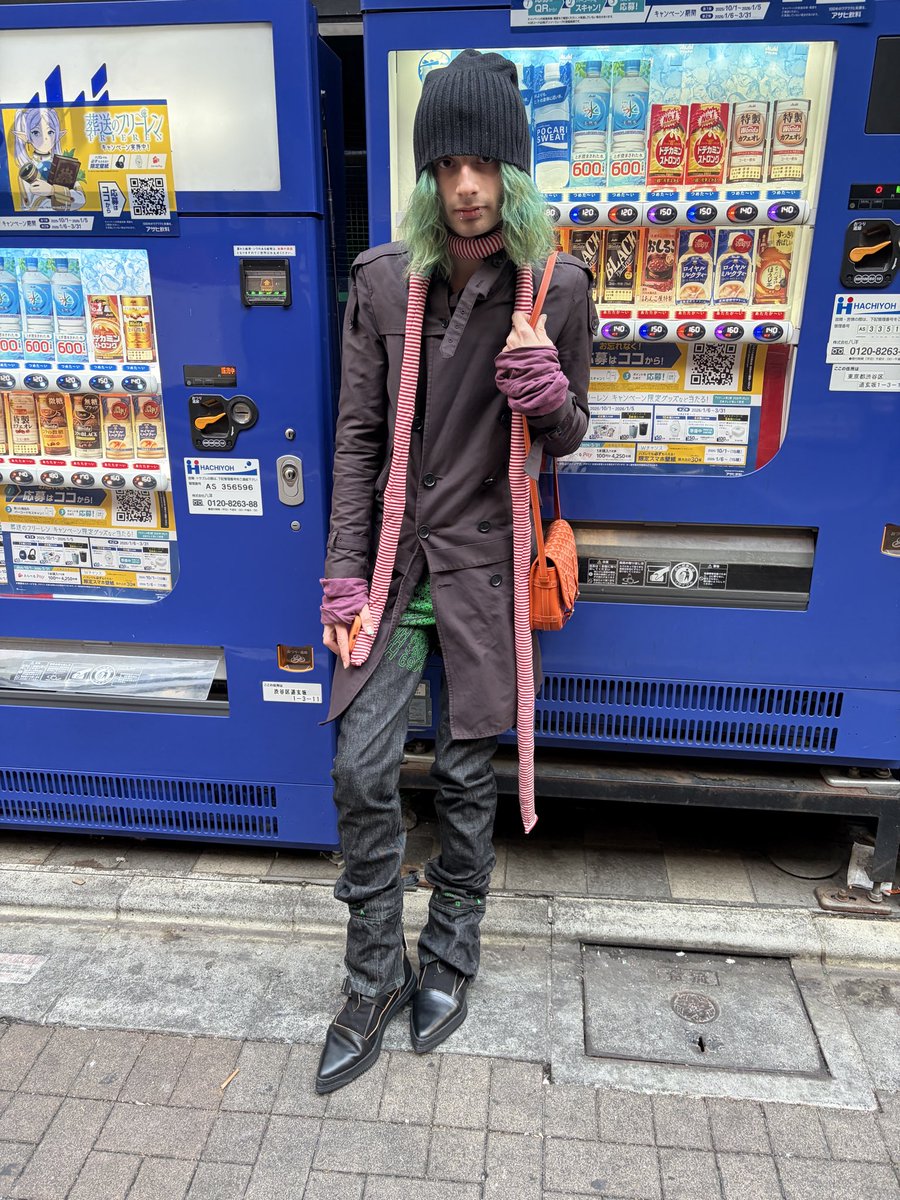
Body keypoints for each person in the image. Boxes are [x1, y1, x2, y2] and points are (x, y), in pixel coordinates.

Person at [317, 49, 594, 1094]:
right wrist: (344, 578)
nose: (465, 185)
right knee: (361, 768)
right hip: (396, 568)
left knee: (469, 776)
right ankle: (374, 972)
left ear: (512, 172)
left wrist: (544, 391)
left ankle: (451, 952)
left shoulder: (556, 287)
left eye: (483, 164)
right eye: (445, 165)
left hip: (486, 569)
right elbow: (357, 437)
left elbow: (569, 433)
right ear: (426, 175)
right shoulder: (384, 281)